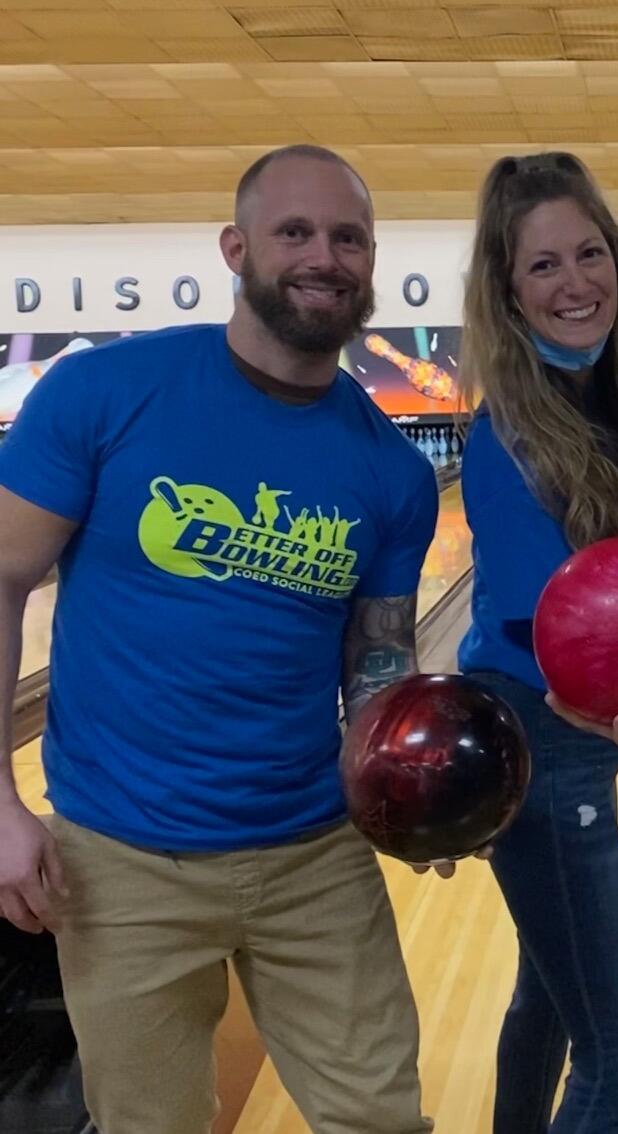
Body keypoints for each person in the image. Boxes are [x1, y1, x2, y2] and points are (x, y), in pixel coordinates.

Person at [0, 145, 438, 1133]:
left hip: (314, 853)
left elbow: (378, 662)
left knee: (382, 1119)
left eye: (348, 238)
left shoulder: (395, 473)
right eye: (295, 232)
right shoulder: (105, 393)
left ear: (370, 261)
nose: (323, 256)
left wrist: (417, 794)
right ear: (236, 249)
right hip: (120, 859)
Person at [456, 151, 618, 1133]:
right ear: (508, 291)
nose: (574, 281)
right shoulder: (508, 431)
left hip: (576, 757)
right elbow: (550, 625)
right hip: (545, 755)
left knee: (550, 1000)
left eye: (589, 253)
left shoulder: (614, 417)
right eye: (543, 265)